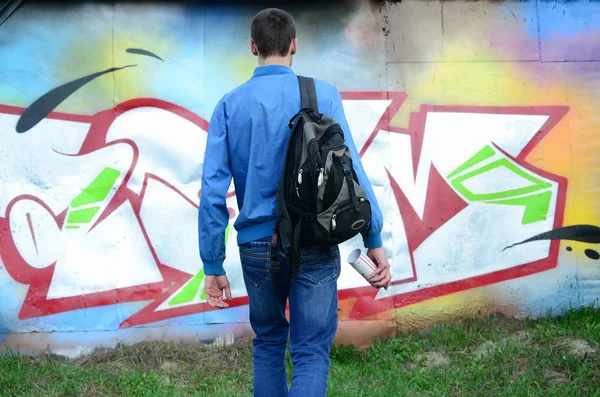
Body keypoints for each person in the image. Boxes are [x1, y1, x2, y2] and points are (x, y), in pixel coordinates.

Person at [198, 8, 392, 397]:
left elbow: (212, 190)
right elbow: (351, 168)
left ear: (253, 47)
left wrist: (212, 262)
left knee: (269, 342)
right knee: (310, 351)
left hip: (256, 245)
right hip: (314, 240)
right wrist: (373, 238)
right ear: (294, 46)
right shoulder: (323, 95)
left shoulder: (229, 105)